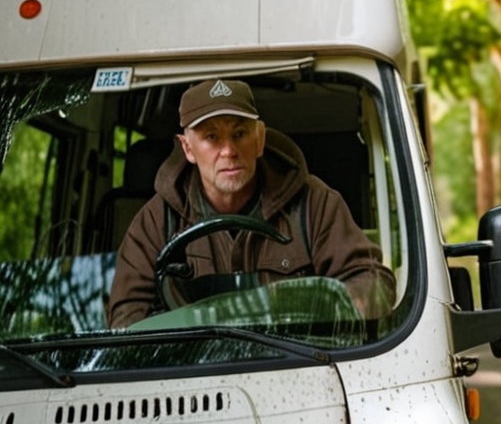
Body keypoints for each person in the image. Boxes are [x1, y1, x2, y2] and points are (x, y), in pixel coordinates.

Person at [106, 79, 396, 328]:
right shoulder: (156, 220)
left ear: (259, 139)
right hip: (193, 379)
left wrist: (333, 309)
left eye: (240, 134)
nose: (229, 151)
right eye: (211, 137)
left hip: (299, 368)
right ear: (187, 148)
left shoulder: (315, 203)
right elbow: (126, 318)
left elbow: (373, 280)